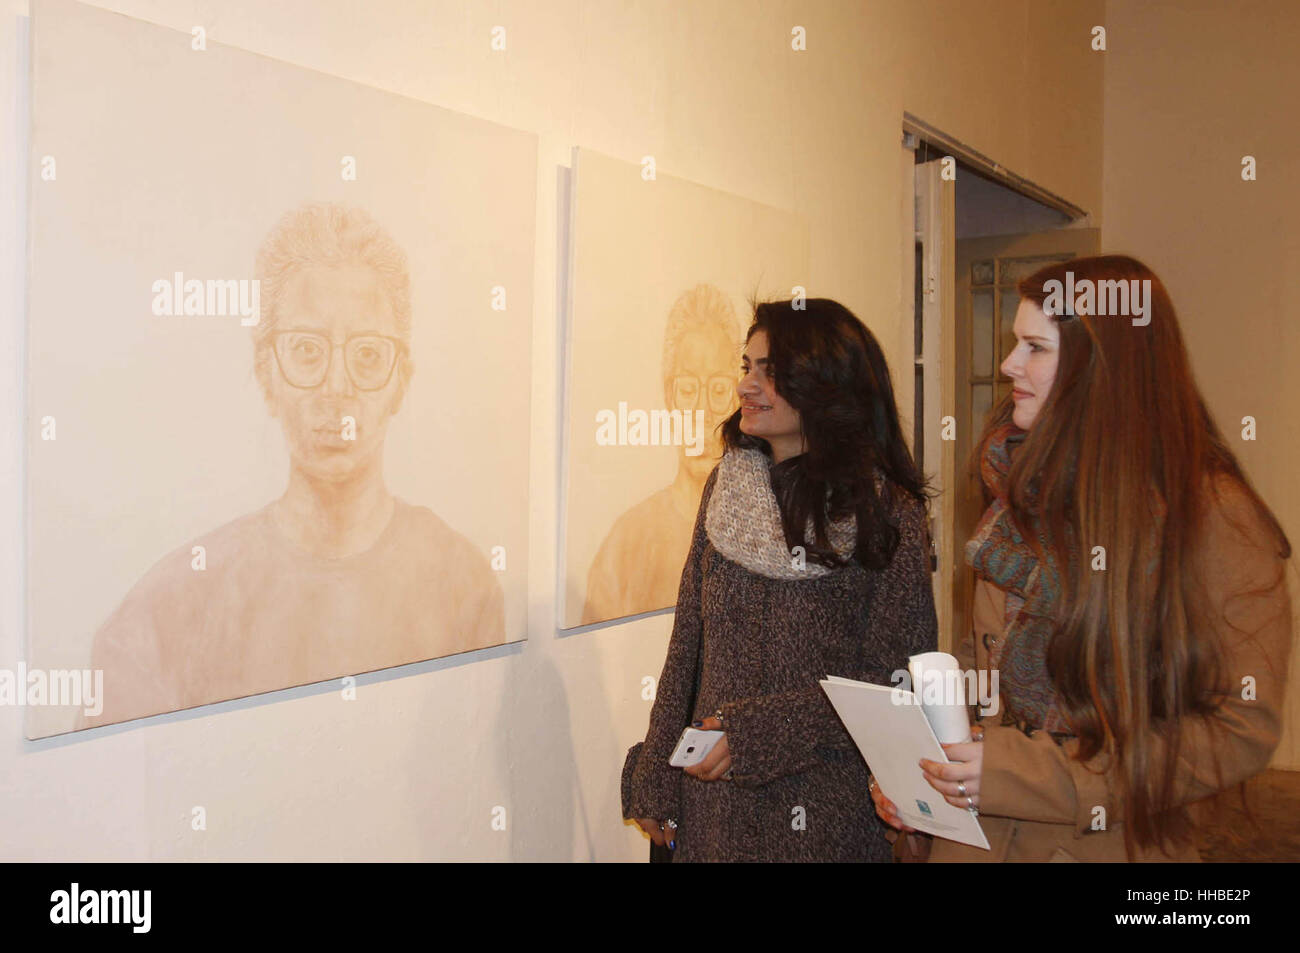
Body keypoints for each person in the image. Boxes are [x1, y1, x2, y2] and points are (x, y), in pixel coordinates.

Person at [872, 255, 1293, 862]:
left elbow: (1238, 727)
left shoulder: (1211, 517)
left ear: (1103, 370)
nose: (1008, 364)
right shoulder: (1016, 491)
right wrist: (922, 775)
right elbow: (983, 672)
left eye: (1034, 347)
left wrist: (1024, 773)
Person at [82, 203, 504, 729]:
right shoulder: (168, 612)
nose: (336, 386)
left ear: (402, 381)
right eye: (307, 349)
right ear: (266, 373)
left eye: (368, 354)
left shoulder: (461, 581)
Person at [621, 297, 937, 861]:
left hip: (829, 819)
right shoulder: (726, 487)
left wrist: (758, 732)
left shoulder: (889, 513)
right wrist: (654, 773)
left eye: (770, 371)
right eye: (747, 367)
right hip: (713, 818)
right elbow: (687, 646)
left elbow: (891, 684)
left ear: (826, 386)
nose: (746, 385)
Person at [582, 284, 740, 624]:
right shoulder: (626, 543)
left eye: (718, 390)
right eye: (687, 390)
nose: (702, 411)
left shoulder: (762, 531)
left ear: (738, 399)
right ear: (669, 398)